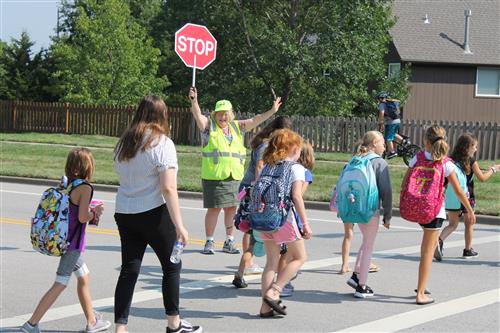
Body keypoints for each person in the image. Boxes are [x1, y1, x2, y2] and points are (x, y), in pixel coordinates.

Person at [113, 96, 201, 333]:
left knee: (129, 269)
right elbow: (168, 187)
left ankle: (120, 327)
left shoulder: (124, 142)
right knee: (172, 266)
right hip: (153, 212)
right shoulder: (162, 143)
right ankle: (174, 322)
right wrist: (180, 225)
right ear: (163, 115)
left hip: (125, 211)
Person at [21, 148, 111, 333]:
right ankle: (31, 324)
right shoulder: (85, 187)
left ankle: (92, 321)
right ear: (88, 166)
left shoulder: (67, 183)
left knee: (84, 276)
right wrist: (95, 212)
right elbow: (82, 217)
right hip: (73, 243)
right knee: (61, 282)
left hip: (63, 239)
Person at [189, 87, 282, 255]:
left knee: (231, 209)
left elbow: (256, 120)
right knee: (214, 209)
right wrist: (194, 101)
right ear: (215, 115)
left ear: (231, 114)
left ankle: (229, 241)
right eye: (220, 113)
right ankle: (209, 241)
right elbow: (198, 116)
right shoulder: (209, 127)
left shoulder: (237, 127)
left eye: (226, 113)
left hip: (234, 177)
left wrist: (272, 110)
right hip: (215, 177)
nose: (223, 117)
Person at [403, 125, 476, 305]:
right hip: (434, 211)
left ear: (425, 141)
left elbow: (405, 182)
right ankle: (420, 293)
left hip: (418, 208)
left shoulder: (417, 158)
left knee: (425, 250)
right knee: (427, 252)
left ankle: (423, 283)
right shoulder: (446, 163)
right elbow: (459, 191)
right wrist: (470, 210)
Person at [232, 116, 293, 288]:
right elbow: (259, 167)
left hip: (256, 191)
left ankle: (239, 273)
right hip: (257, 192)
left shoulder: (269, 144)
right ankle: (279, 281)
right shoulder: (267, 145)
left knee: (254, 237)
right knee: (266, 235)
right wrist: (261, 191)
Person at [257, 129, 312, 317]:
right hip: (284, 219)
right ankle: (275, 291)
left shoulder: (267, 166)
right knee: (299, 258)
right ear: (294, 149)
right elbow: (296, 196)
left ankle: (264, 308)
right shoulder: (296, 168)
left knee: (270, 263)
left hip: (263, 218)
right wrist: (305, 224)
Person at [341, 131, 392, 298]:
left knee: (365, 241)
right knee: (369, 246)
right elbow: (386, 191)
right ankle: (362, 286)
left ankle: (356, 276)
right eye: (382, 143)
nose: (384, 146)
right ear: (373, 145)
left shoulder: (356, 159)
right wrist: (388, 215)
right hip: (370, 209)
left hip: (353, 207)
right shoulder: (379, 162)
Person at [435, 133, 500, 260]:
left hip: (452, 194)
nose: (476, 149)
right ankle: (468, 249)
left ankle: (439, 240)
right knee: (469, 223)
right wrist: (493, 169)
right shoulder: (471, 161)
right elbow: (482, 178)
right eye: (474, 146)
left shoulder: (451, 159)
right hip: (467, 195)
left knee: (452, 224)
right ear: (468, 147)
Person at [278, 140, 315, 297]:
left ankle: (279, 279)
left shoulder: (284, 167)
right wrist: (304, 223)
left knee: (283, 253)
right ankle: (283, 283)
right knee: (293, 255)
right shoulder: (304, 173)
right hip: (292, 216)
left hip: (279, 215)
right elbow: (298, 195)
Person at [376, 91, 403, 159]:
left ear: (380, 98)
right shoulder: (390, 103)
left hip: (391, 122)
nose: (378, 100)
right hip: (397, 120)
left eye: (378, 99)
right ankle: (404, 141)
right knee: (392, 134)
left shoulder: (382, 104)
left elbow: (382, 113)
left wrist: (381, 122)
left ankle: (392, 152)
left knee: (388, 138)